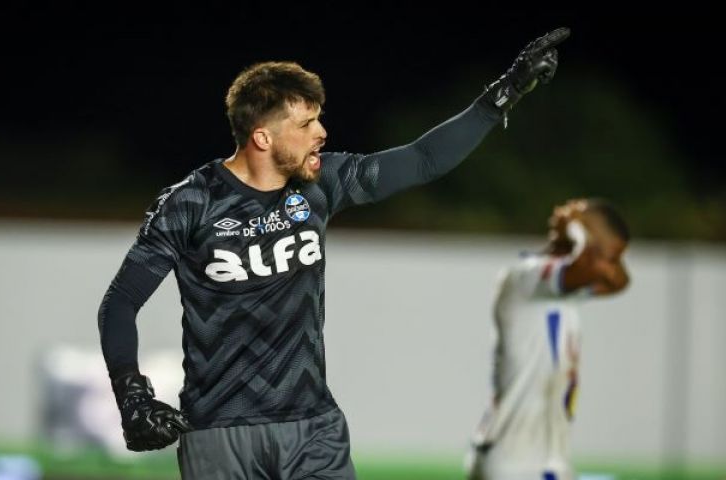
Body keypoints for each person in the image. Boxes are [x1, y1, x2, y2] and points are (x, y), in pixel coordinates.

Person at [98, 27, 570, 479]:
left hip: (313, 429)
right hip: (219, 433)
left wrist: (500, 96)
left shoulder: (322, 184)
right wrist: (131, 396)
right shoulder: (190, 203)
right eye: (306, 123)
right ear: (262, 137)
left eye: (319, 118)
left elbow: (424, 160)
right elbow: (120, 302)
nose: (321, 131)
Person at [465, 198, 630, 480]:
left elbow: (618, 281)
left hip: (542, 461)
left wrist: (582, 232)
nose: (609, 266)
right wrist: (582, 231)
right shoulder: (526, 277)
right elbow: (592, 269)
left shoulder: (569, 292)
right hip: (514, 462)